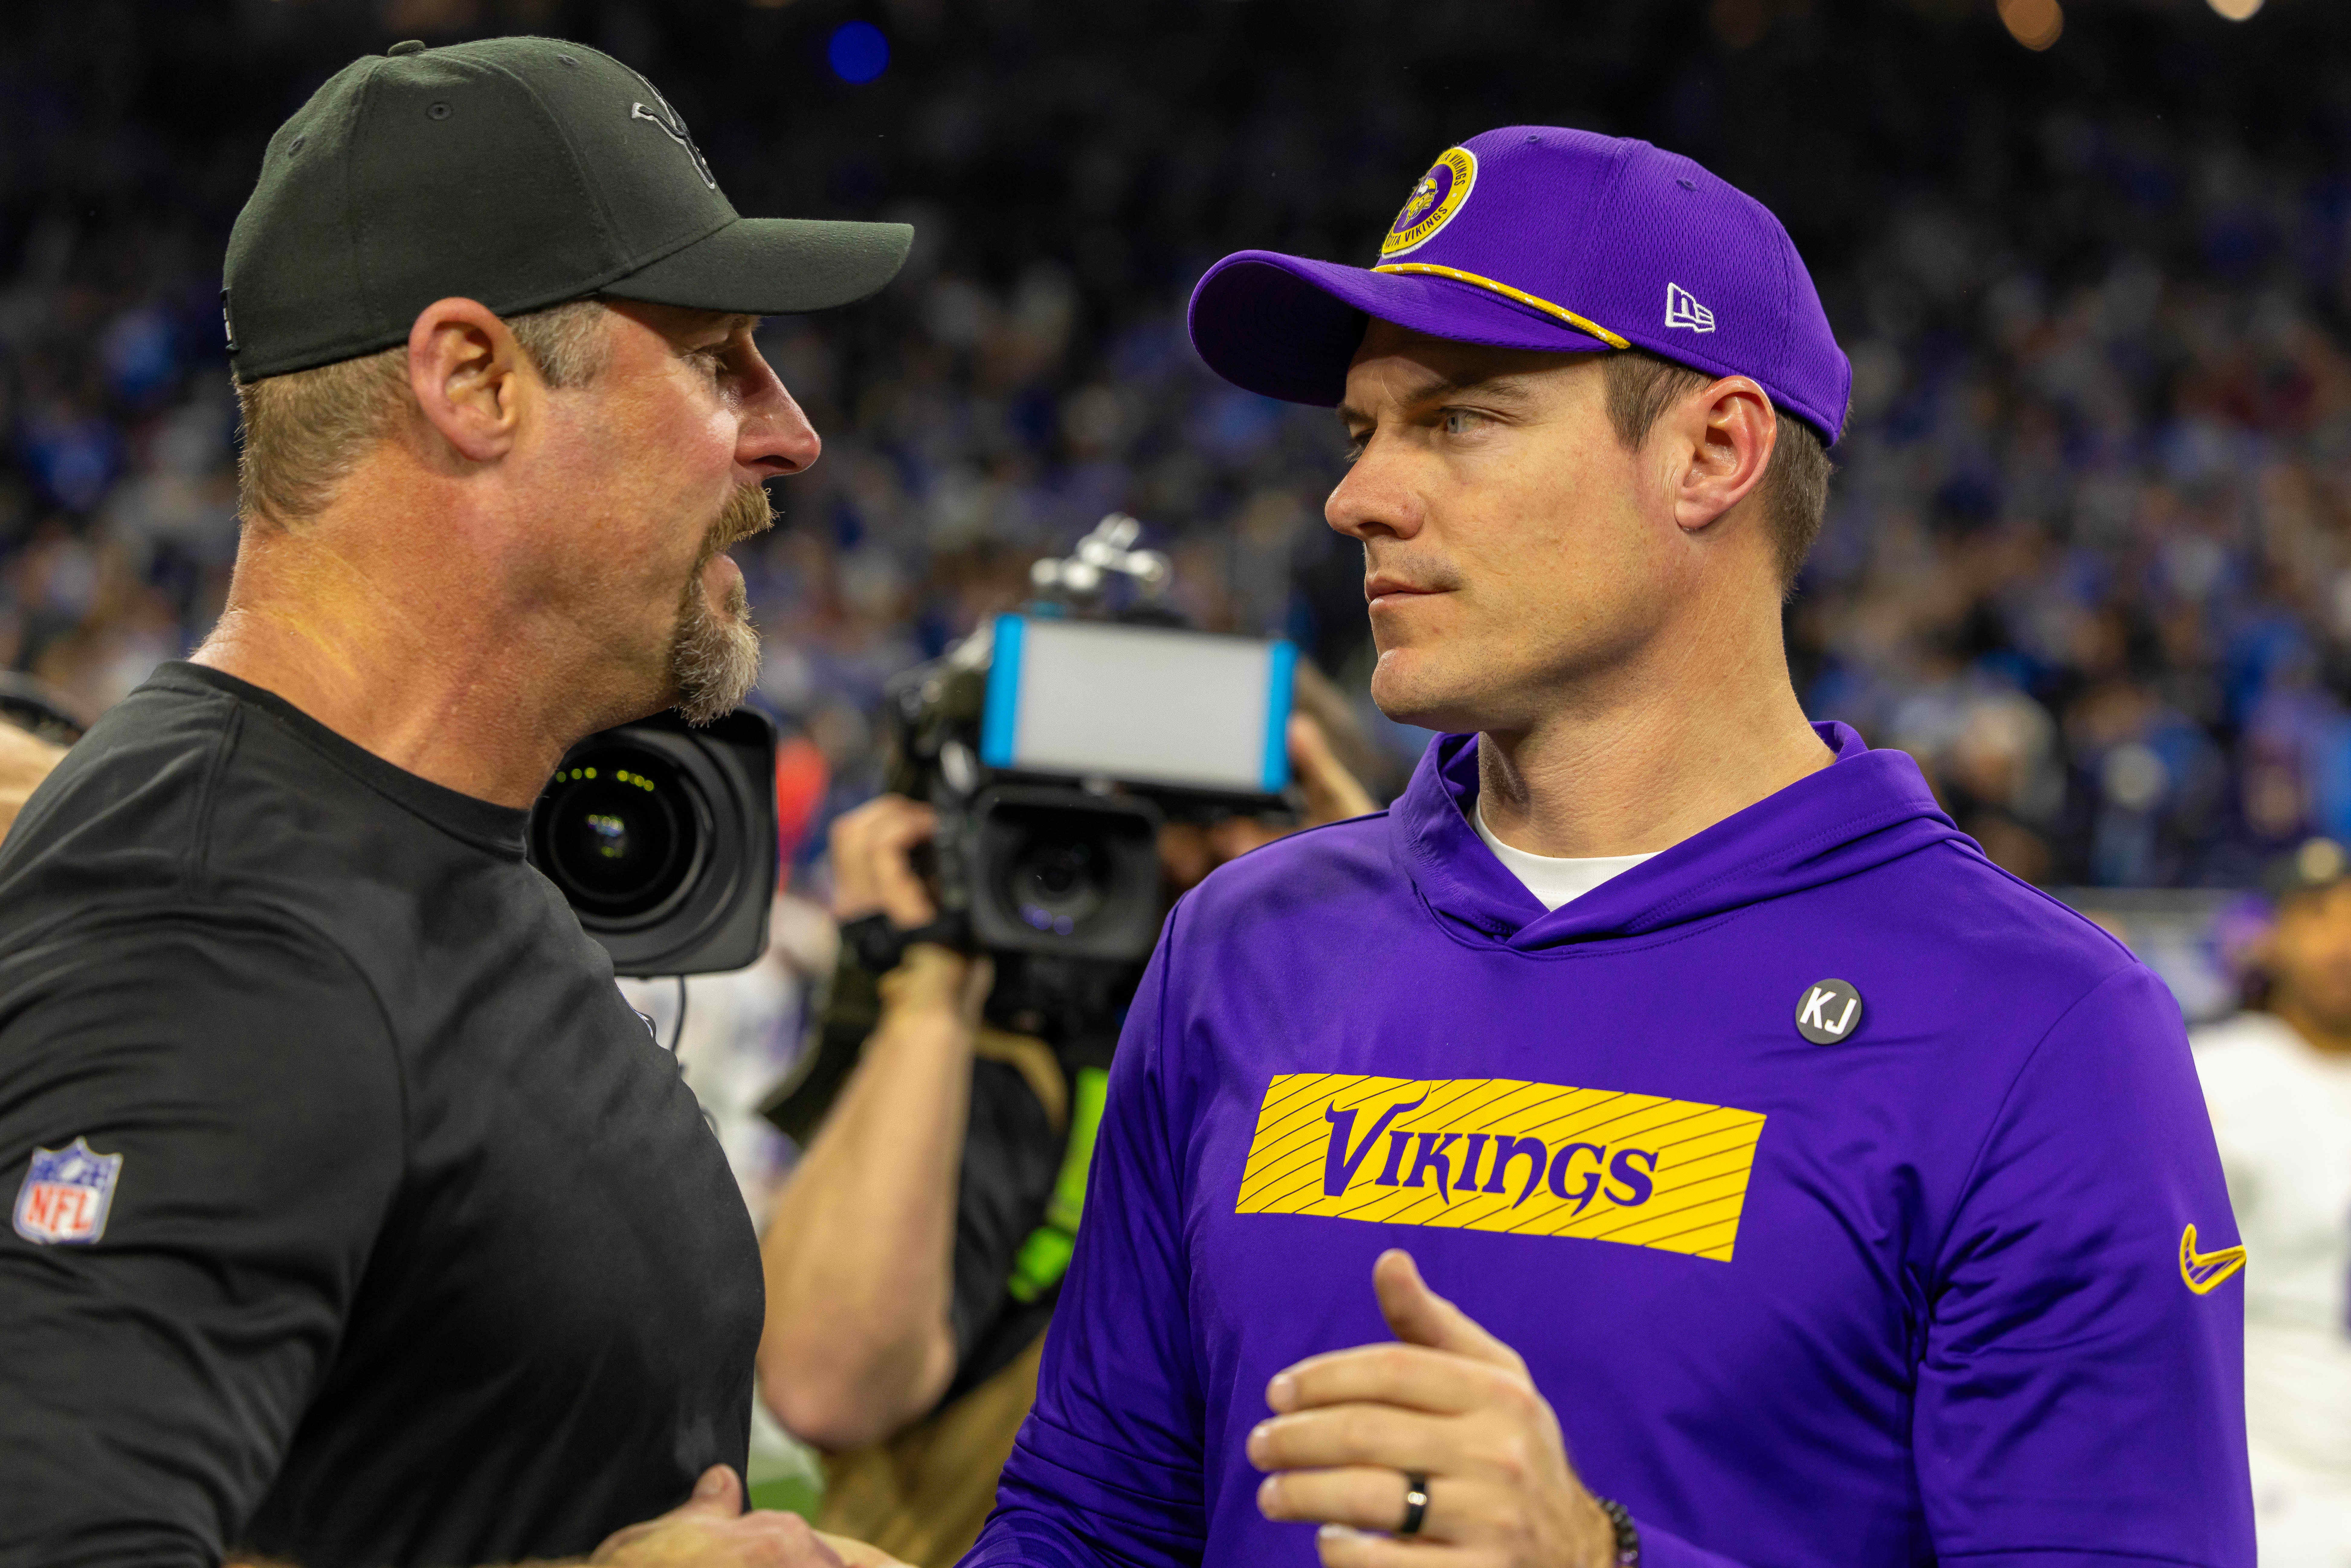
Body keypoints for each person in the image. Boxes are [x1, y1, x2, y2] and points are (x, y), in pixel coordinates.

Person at [961, 126, 2253, 1568]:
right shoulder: (1240, 940)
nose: (1356, 497)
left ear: (1712, 451)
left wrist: (1594, 1558)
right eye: (1358, 431)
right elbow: (1091, 1524)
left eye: (1456, 418)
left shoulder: (2036, 1027)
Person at [0, 36, 914, 1568]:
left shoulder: (425, 835)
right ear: (474, 379)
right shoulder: (209, 922)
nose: (788, 433)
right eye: (717, 359)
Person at [760, 677, 1382, 1567]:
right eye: (1126, 820)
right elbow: (826, 1387)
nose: (1171, 866)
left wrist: (1367, 907)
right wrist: (931, 991)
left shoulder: (1345, 1079)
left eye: (1217, 824)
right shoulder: (1005, 1069)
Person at [2192, 838, 2351, 1567]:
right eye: (2318, 915)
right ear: (2272, 937)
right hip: (2267, 1472)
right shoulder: (2216, 1076)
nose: (2343, 942)